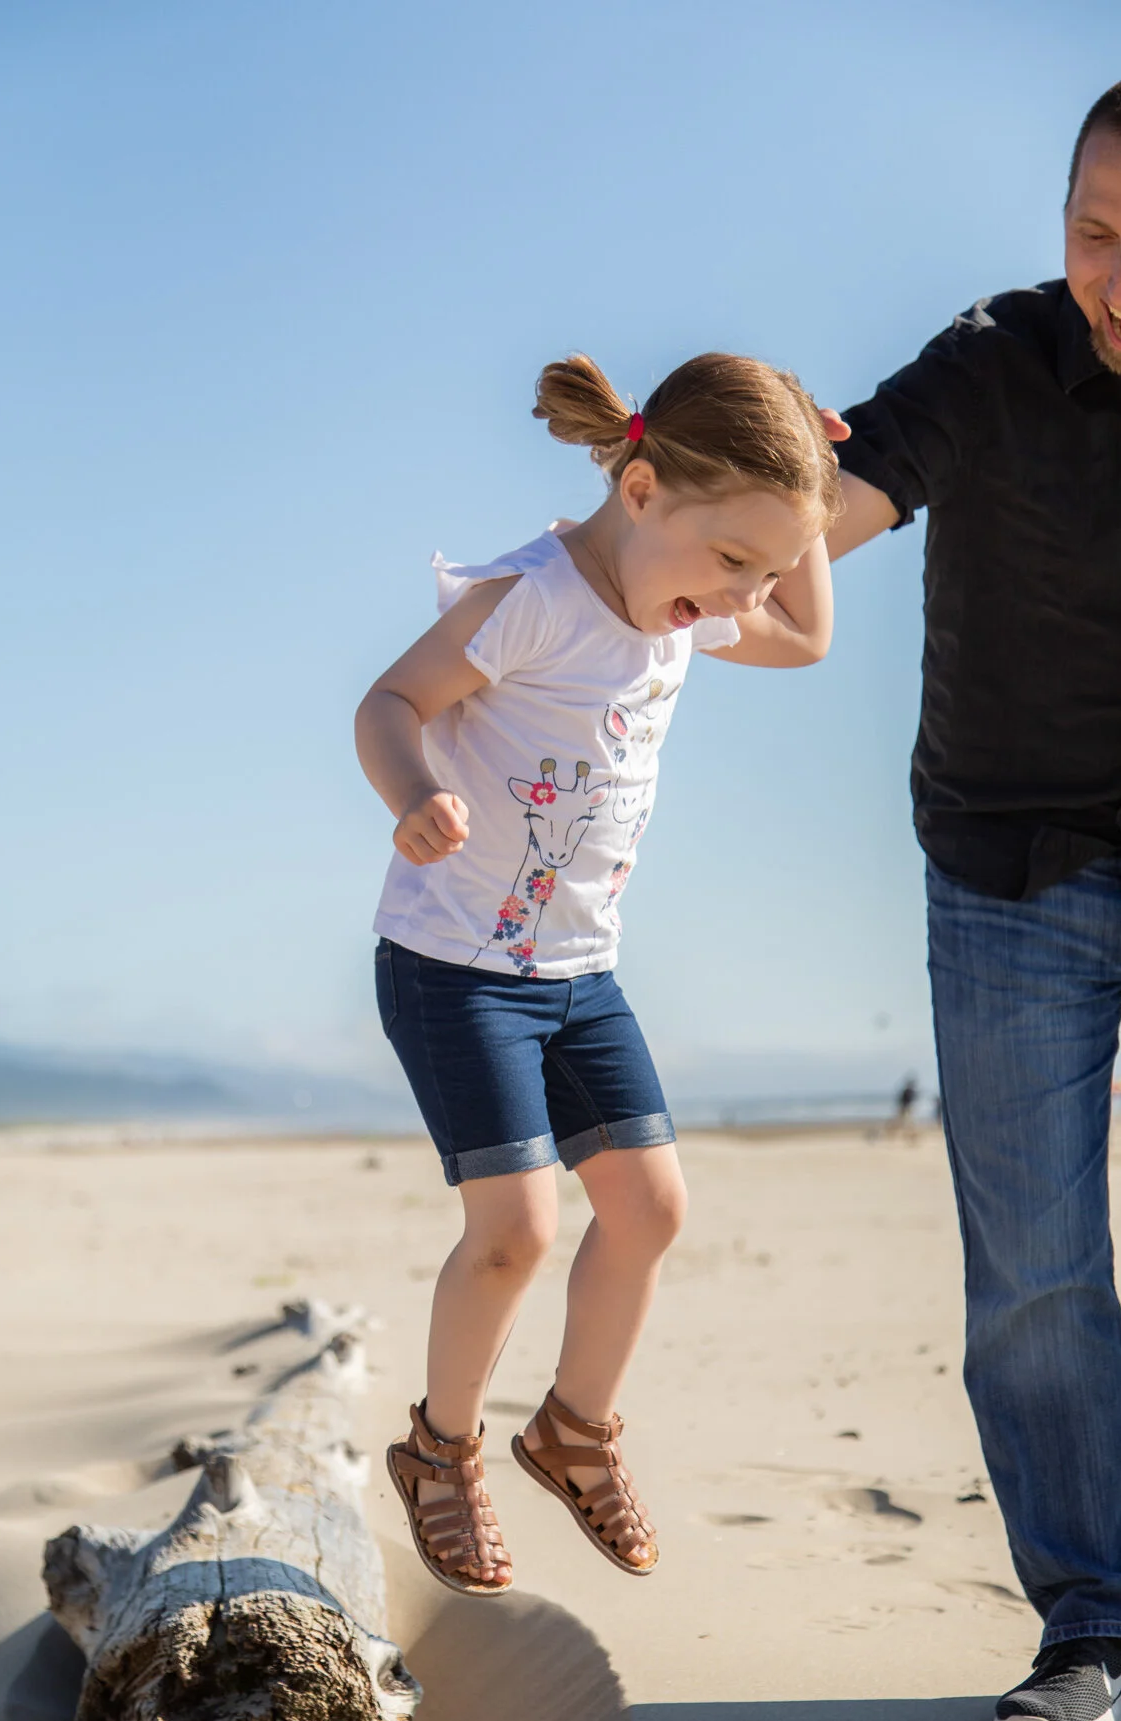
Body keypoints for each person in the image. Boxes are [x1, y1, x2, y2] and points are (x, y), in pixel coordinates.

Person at [356, 351, 844, 1593]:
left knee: (652, 1207)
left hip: (579, 971)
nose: (746, 594)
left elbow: (806, 641)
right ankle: (440, 1449)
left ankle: (571, 1430)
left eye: (767, 565)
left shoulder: (680, 597)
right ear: (638, 490)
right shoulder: (533, 598)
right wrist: (415, 797)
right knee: (514, 1228)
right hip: (455, 967)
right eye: (732, 559)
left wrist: (809, 497)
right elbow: (389, 702)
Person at [828, 82, 1121, 1721]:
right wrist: (715, 523)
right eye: (1093, 235)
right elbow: (836, 504)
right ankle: (1088, 1614)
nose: (1111, 274)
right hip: (1006, 869)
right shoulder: (987, 362)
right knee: (1031, 1275)